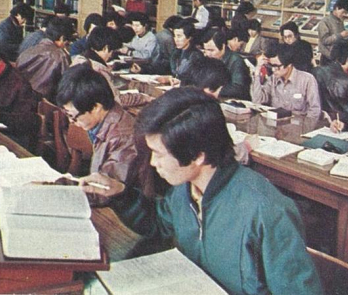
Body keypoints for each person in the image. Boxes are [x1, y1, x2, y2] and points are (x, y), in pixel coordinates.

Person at [79, 88, 323, 295]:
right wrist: (121, 193)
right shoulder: (185, 189)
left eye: (159, 154)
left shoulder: (266, 211)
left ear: (197, 156)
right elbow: (159, 223)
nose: (153, 162)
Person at [56, 66, 155, 205]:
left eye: (73, 116)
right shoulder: (106, 120)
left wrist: (53, 189)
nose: (71, 121)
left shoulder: (122, 137)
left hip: (121, 210)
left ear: (96, 107)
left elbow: (103, 192)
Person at [251, 43, 321, 120]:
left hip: (299, 124)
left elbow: (314, 111)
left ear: (289, 65)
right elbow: (257, 101)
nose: (273, 70)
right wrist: (257, 70)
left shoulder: (307, 80)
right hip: (276, 124)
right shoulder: (272, 79)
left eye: (277, 66)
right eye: (271, 66)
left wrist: (305, 126)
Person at [16, 16, 72, 102]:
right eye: (67, 42)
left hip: (20, 98)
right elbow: (66, 87)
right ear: (62, 38)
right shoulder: (61, 56)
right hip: (43, 103)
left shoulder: (28, 51)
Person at [202, 28, 251, 100]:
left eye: (211, 50)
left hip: (233, 100)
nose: (207, 54)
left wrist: (217, 91)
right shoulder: (207, 59)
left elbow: (239, 88)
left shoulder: (236, 61)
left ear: (223, 46)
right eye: (205, 50)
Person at [317, 0, 348, 65]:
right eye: (343, 12)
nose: (344, 14)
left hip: (339, 57)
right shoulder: (325, 22)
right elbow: (325, 40)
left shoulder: (340, 21)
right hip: (328, 57)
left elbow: (341, 40)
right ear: (337, 8)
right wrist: (340, 35)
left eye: (346, 13)